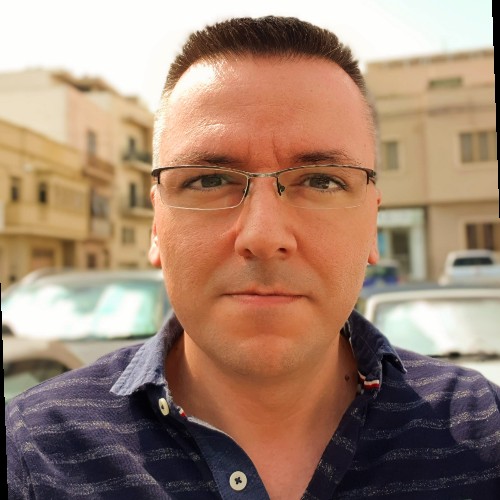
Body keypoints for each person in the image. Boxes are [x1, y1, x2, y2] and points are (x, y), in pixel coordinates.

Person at [6, 15, 500, 500]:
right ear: (156, 224)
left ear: (372, 220)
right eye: (209, 180)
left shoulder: (483, 429)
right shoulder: (33, 453)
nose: (263, 237)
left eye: (321, 181)